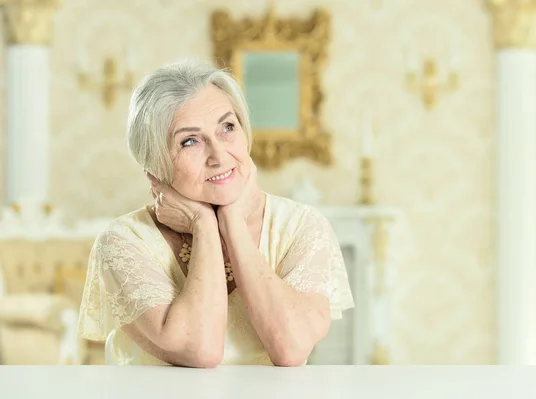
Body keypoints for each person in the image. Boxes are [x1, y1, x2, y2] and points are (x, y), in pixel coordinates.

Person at [77, 60, 354, 367]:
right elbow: (201, 350)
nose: (219, 156)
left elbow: (291, 347)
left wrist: (232, 223)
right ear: (155, 165)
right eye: (190, 141)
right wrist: (204, 225)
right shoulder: (123, 242)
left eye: (227, 127)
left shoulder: (302, 226)